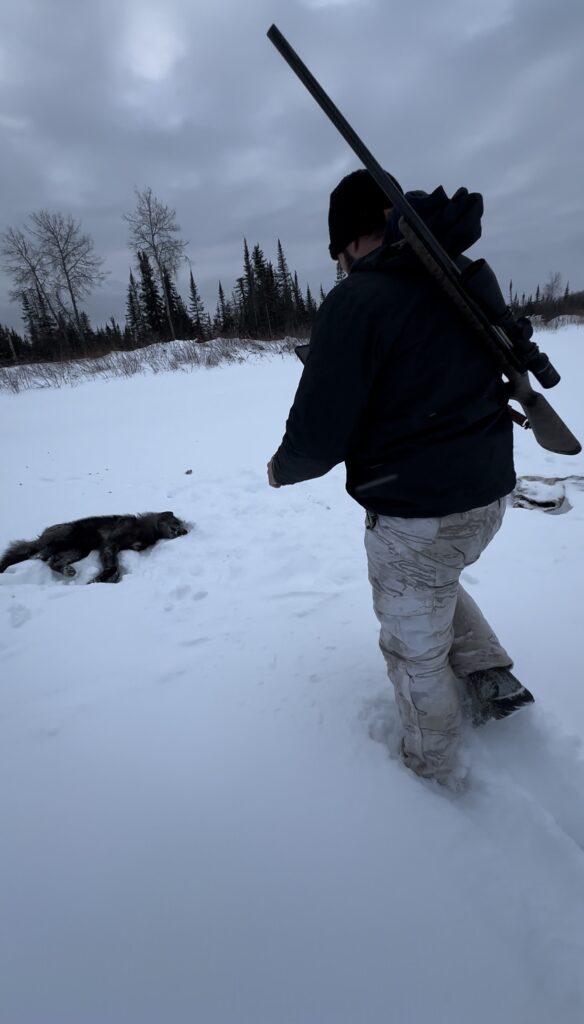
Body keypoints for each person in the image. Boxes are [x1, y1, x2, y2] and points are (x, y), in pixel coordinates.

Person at [267, 169, 534, 787]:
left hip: (416, 509)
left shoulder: (358, 300)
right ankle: (489, 669)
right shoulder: (458, 278)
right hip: (488, 494)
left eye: (339, 252)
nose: (339, 265)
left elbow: (319, 432)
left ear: (356, 240)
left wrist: (284, 469)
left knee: (414, 651)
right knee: (435, 575)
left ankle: (433, 775)